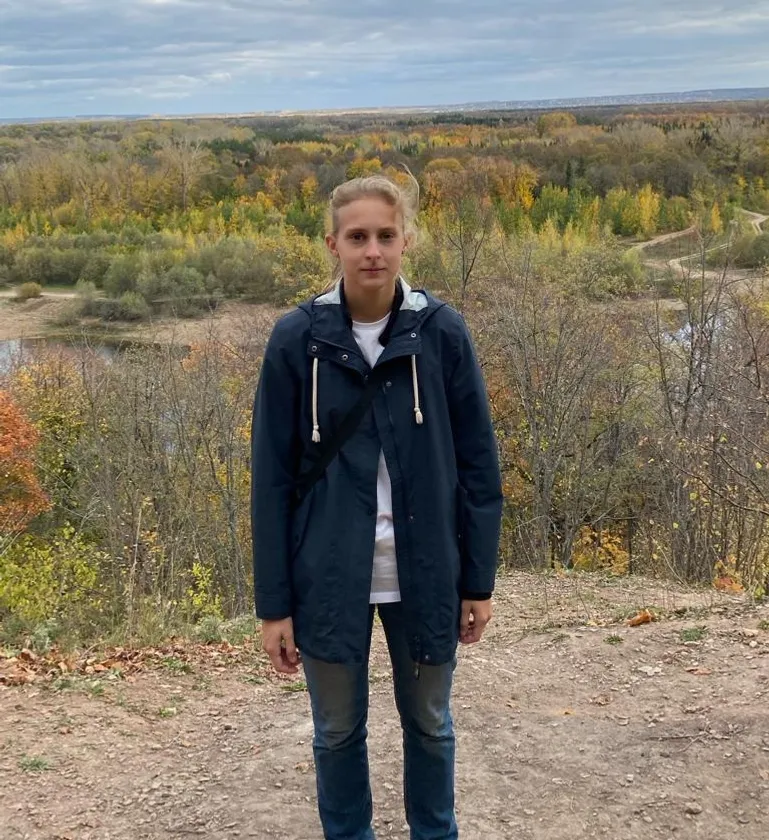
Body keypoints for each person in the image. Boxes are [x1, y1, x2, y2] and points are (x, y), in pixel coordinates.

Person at [251, 173, 503, 840]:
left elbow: (479, 466)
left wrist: (477, 581)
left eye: (385, 235)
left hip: (427, 570)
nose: (372, 251)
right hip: (326, 576)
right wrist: (274, 606)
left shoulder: (441, 334)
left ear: (406, 240)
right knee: (336, 731)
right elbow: (270, 483)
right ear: (331, 243)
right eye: (357, 236)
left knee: (430, 724)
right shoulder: (297, 341)